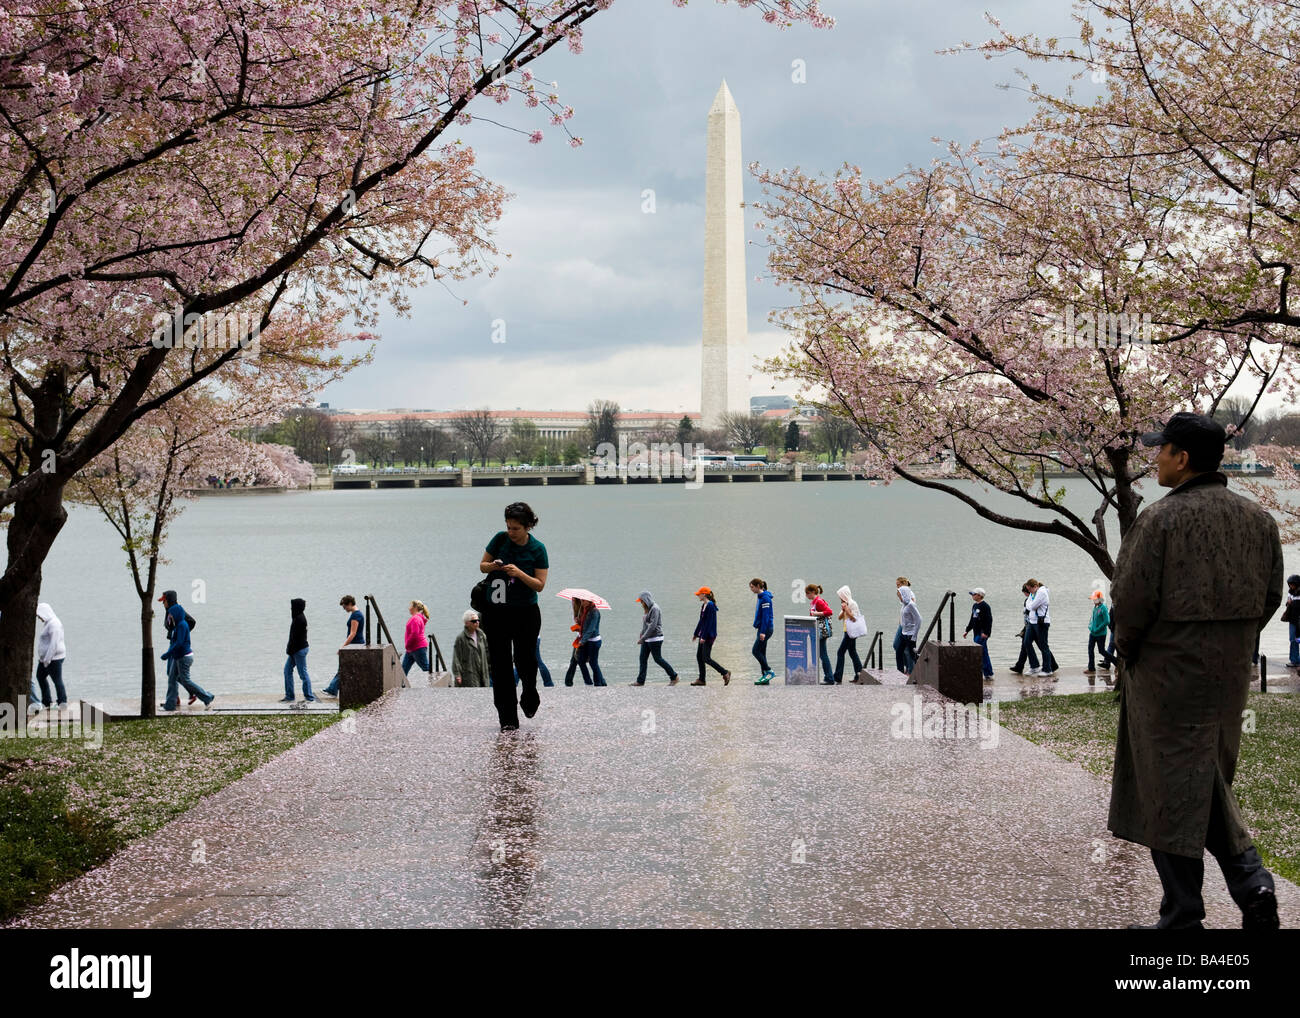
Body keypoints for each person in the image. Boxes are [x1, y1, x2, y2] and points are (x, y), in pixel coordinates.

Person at [1109, 411, 1282, 930]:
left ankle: (1188, 913)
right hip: (1229, 679)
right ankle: (1250, 889)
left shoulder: (1158, 520)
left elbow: (1130, 602)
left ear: (1182, 459)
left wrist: (1129, 652)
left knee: (1169, 792)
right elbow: (1271, 595)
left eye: (1161, 449)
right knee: (1203, 783)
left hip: (1166, 677)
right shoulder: (1260, 521)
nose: (1154, 457)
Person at [479, 501, 548, 730]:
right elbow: (482, 566)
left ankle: (530, 695)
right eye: (508, 527)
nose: (511, 532)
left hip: (526, 614)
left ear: (528, 526)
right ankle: (507, 719)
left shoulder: (538, 549)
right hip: (496, 613)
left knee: (525, 660)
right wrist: (495, 566)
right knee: (500, 666)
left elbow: (539, 585)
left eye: (515, 528)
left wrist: (519, 573)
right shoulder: (499, 539)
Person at [159, 590, 214, 711]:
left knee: (181, 678)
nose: (163, 604)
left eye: (164, 601)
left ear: (169, 600)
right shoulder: (170, 612)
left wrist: (182, 636)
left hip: (180, 651)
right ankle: (172, 702)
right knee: (172, 676)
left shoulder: (178, 612)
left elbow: (191, 623)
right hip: (175, 648)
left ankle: (202, 696)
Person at [322, 595, 365, 698]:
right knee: (347, 668)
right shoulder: (357, 614)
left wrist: (343, 647)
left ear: (350, 604)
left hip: (355, 645)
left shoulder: (356, 615)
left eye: (345, 606)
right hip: (357, 644)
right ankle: (334, 690)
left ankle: (332, 690)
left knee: (343, 667)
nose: (344, 609)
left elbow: (353, 633)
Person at [632, 591, 678, 685]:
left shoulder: (655, 609)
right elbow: (646, 625)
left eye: (642, 601)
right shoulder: (647, 609)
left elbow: (653, 626)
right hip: (647, 638)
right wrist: (642, 634)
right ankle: (640, 681)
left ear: (646, 600)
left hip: (656, 638)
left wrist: (643, 638)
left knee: (657, 659)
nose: (641, 603)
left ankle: (674, 676)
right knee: (642, 658)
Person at [690, 587, 730, 685]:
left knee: (706, 657)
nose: (698, 596)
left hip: (709, 635)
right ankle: (702, 680)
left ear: (704, 594)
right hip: (703, 634)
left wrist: (703, 637)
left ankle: (725, 672)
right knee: (699, 656)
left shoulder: (710, 606)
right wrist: (696, 633)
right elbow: (702, 621)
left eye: (699, 594)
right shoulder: (704, 605)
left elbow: (709, 623)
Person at [32, 602, 68, 710]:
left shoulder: (54, 624)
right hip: (45, 659)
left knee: (57, 680)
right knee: (40, 676)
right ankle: (46, 701)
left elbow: (54, 644)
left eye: (39, 615)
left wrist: (47, 660)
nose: (39, 618)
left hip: (53, 659)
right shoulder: (48, 623)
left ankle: (62, 702)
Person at [282, 597, 315, 702]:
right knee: (287, 671)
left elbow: (295, 639)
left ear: (296, 607)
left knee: (303, 673)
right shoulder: (297, 616)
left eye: (292, 606)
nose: (291, 608)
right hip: (295, 650)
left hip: (299, 650)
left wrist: (289, 651)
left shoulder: (300, 619)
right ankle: (290, 696)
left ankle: (309, 697)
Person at [834, 585, 866, 684]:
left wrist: (847, 609)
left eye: (840, 596)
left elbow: (854, 618)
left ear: (844, 595)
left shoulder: (852, 604)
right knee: (852, 652)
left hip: (851, 632)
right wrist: (843, 609)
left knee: (840, 652)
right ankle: (859, 674)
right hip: (847, 631)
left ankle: (838, 677)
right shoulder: (846, 603)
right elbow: (839, 618)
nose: (840, 598)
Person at [1008, 583, 1042, 674]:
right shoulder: (1028, 600)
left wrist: (1026, 628)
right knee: (1025, 646)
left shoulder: (1032, 601)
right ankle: (1019, 666)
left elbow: (1030, 615)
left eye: (1025, 592)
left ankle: (1050, 664)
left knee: (1040, 646)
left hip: (1032, 626)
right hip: (1028, 626)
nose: (1025, 594)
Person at [1025, 579, 1057, 676]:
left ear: (1034, 586)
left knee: (1043, 645)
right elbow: (1027, 604)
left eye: (1029, 589)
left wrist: (1030, 604)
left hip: (1041, 622)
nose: (1029, 591)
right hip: (1032, 622)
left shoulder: (1042, 592)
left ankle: (1047, 669)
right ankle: (1034, 666)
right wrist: (1030, 604)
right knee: (1026, 642)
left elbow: (1032, 606)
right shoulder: (1033, 593)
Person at [453, 610, 491, 687]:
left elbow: (487, 652)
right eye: (474, 621)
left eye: (478, 620)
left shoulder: (482, 635)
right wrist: (457, 674)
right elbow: (456, 657)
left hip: (483, 672)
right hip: (469, 674)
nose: (477, 622)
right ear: (466, 623)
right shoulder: (461, 638)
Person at [575, 597, 607, 686]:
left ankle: (598, 684)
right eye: (581, 600)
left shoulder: (594, 612)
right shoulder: (586, 610)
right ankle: (589, 682)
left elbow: (591, 629)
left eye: (583, 601)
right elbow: (585, 626)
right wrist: (579, 622)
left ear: (589, 601)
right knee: (581, 661)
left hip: (594, 641)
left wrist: (582, 641)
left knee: (593, 662)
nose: (582, 602)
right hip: (586, 640)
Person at [806, 584, 835, 684]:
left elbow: (829, 611)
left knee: (823, 655)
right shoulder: (814, 602)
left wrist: (816, 614)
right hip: (818, 631)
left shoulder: (818, 601)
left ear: (813, 592)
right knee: (821, 654)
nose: (806, 595)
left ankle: (830, 678)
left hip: (821, 631)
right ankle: (828, 677)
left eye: (808, 593)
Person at [962, 588, 993, 680]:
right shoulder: (975, 606)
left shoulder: (985, 606)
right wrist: (967, 630)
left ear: (980, 595)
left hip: (982, 633)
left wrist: (986, 632)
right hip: (976, 632)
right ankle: (988, 672)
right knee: (983, 652)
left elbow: (989, 620)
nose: (972, 596)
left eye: (974, 594)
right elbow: (973, 619)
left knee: (981, 652)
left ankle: (987, 673)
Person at [751, 578, 776, 684]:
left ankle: (769, 671)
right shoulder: (761, 597)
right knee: (762, 652)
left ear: (757, 586)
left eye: (752, 587)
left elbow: (766, 616)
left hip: (765, 629)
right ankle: (765, 678)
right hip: (762, 628)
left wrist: (762, 632)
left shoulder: (765, 598)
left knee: (755, 651)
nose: (751, 589)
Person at [1085, 591, 1116, 676]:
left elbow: (1107, 621)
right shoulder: (1095, 607)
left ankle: (1116, 662)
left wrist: (1098, 629)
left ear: (1099, 599)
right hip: (1093, 633)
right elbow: (1094, 620)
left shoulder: (1103, 608)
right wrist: (1091, 628)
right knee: (1090, 649)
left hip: (1101, 634)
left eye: (1094, 599)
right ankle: (1091, 668)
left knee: (1101, 651)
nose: (1093, 601)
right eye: (1093, 599)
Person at [896, 583, 922, 675]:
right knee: (899, 650)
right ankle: (900, 672)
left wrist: (914, 635)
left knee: (912, 655)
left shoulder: (911, 605)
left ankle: (918, 674)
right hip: (904, 633)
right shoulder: (904, 605)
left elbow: (919, 619)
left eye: (900, 596)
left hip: (910, 634)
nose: (899, 598)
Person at [402, 600, 431, 676]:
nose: (409, 608)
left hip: (417, 648)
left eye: (410, 606)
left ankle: (434, 682)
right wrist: (408, 646)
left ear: (415, 608)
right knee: (403, 669)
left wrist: (407, 644)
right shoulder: (418, 618)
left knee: (426, 668)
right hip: (411, 649)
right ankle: (401, 686)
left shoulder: (415, 619)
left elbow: (415, 634)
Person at [1282, 575, 1300, 670]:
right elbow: (1288, 603)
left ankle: (1297, 659)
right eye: (1289, 585)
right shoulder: (1290, 593)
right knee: (1293, 639)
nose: (1290, 586)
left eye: (1292, 584)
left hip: (1299, 620)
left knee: (1298, 639)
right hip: (1293, 621)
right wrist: (1288, 603)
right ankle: (1294, 660)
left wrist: (1292, 603)